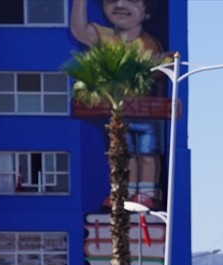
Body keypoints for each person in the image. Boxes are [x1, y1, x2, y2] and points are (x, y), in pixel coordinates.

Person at [70, 0, 165, 208]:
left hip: (147, 113)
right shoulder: (105, 37)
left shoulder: (148, 44)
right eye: (112, 0)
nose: (120, 4)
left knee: (148, 154)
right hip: (120, 114)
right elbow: (79, 30)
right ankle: (126, 192)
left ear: (147, 11)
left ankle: (148, 192)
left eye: (131, 1)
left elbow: (157, 69)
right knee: (127, 154)